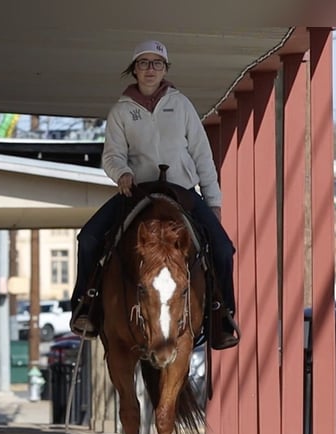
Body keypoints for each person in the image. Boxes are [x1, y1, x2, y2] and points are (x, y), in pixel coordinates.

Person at [70, 40, 240, 349]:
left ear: (165, 69)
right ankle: (87, 306)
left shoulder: (182, 104)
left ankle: (222, 315)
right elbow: (111, 154)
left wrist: (213, 201)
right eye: (145, 63)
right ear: (134, 69)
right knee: (89, 239)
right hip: (137, 191)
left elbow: (202, 154)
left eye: (157, 64)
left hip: (183, 192)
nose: (151, 69)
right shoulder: (121, 110)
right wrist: (120, 173)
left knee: (224, 250)